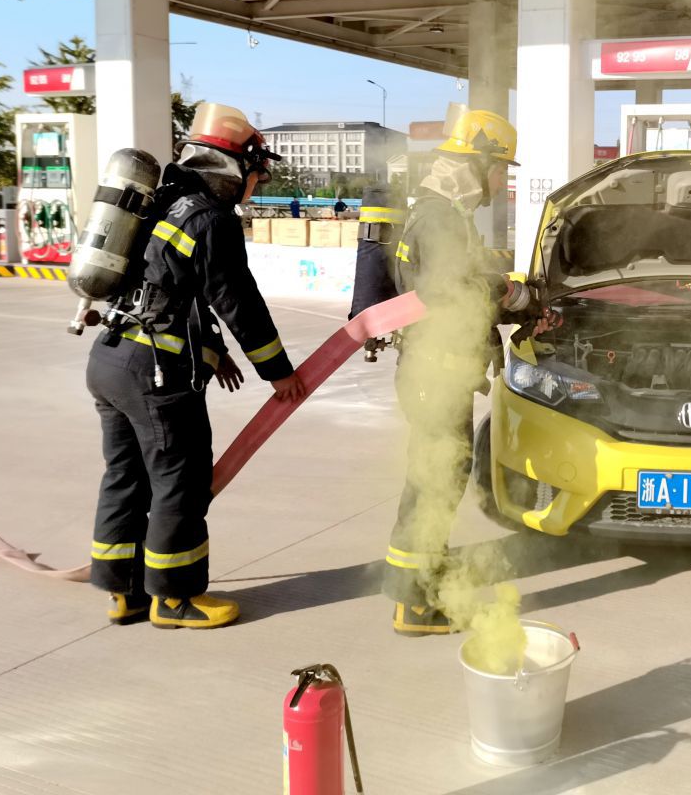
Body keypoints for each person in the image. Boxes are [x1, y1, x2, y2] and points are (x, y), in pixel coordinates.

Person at [87, 103, 306, 629]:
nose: (257, 183)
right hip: (155, 374)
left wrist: (214, 349)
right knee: (178, 482)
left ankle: (123, 592)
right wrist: (277, 370)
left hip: (110, 358)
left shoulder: (162, 201)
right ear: (235, 166)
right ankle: (174, 598)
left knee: (125, 477)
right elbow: (238, 301)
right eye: (256, 173)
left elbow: (167, 288)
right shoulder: (210, 218)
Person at [348, 109, 549, 635]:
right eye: (499, 169)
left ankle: (417, 586)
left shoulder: (440, 213)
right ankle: (414, 604)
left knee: (435, 480)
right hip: (435, 373)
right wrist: (510, 293)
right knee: (435, 483)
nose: (500, 182)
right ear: (475, 164)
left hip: (434, 369)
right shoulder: (440, 219)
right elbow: (450, 290)